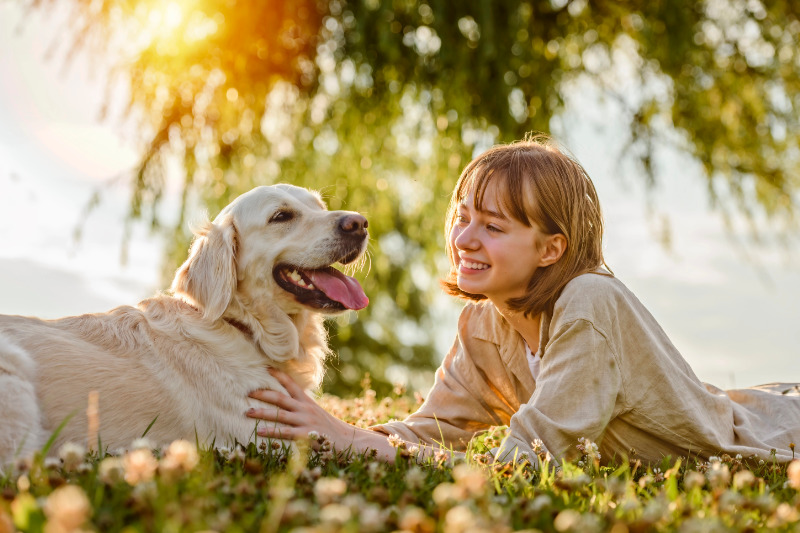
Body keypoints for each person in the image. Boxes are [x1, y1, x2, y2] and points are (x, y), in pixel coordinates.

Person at [246, 135, 800, 466]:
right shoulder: (483, 325)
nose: (464, 240)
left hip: (774, 432)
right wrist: (334, 434)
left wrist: (351, 439)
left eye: (493, 227)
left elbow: (525, 459)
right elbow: (433, 429)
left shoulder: (589, 301)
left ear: (550, 248)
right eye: (463, 218)